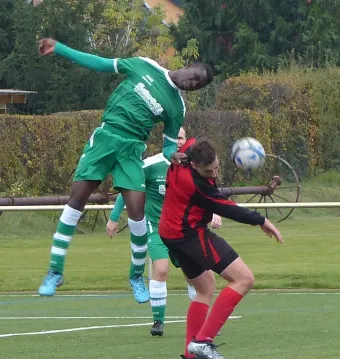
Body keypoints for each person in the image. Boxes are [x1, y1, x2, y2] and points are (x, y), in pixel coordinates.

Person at [36, 38, 213, 296]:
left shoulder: (177, 107)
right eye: (195, 76)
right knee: (76, 201)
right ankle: (55, 270)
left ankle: (136, 276)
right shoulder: (144, 66)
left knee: (137, 213)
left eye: (198, 85)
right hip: (106, 138)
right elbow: (100, 63)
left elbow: (167, 147)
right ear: (188, 67)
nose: (193, 83)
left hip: (132, 150)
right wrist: (60, 49)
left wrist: (173, 156)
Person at [159, 138, 283, 359]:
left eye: (216, 167)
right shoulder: (197, 185)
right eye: (208, 170)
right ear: (194, 165)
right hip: (188, 234)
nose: (213, 172)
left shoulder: (186, 152)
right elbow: (226, 208)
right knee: (244, 279)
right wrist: (262, 220)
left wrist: (172, 150)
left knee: (205, 288)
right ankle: (204, 341)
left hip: (169, 232)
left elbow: (179, 144)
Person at [106, 130, 223, 336]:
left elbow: (205, 193)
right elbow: (128, 188)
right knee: (160, 269)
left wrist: (214, 212)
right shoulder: (151, 165)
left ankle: (203, 322)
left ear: (187, 142)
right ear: (165, 141)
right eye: (174, 138)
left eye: (181, 138)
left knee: (197, 275)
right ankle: (158, 321)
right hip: (157, 227)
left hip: (185, 230)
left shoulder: (193, 167)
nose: (178, 142)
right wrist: (114, 218)